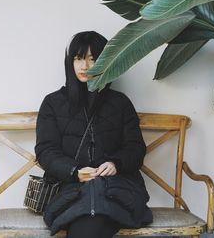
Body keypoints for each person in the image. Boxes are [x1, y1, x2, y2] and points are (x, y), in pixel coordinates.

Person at [35, 31, 153, 238]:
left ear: (106, 62)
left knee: (94, 215)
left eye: (93, 59)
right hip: (69, 187)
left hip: (117, 187)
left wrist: (116, 164)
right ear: (70, 62)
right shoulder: (53, 103)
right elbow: (46, 151)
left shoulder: (120, 103)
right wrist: (74, 172)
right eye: (79, 58)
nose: (85, 66)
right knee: (91, 215)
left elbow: (135, 147)